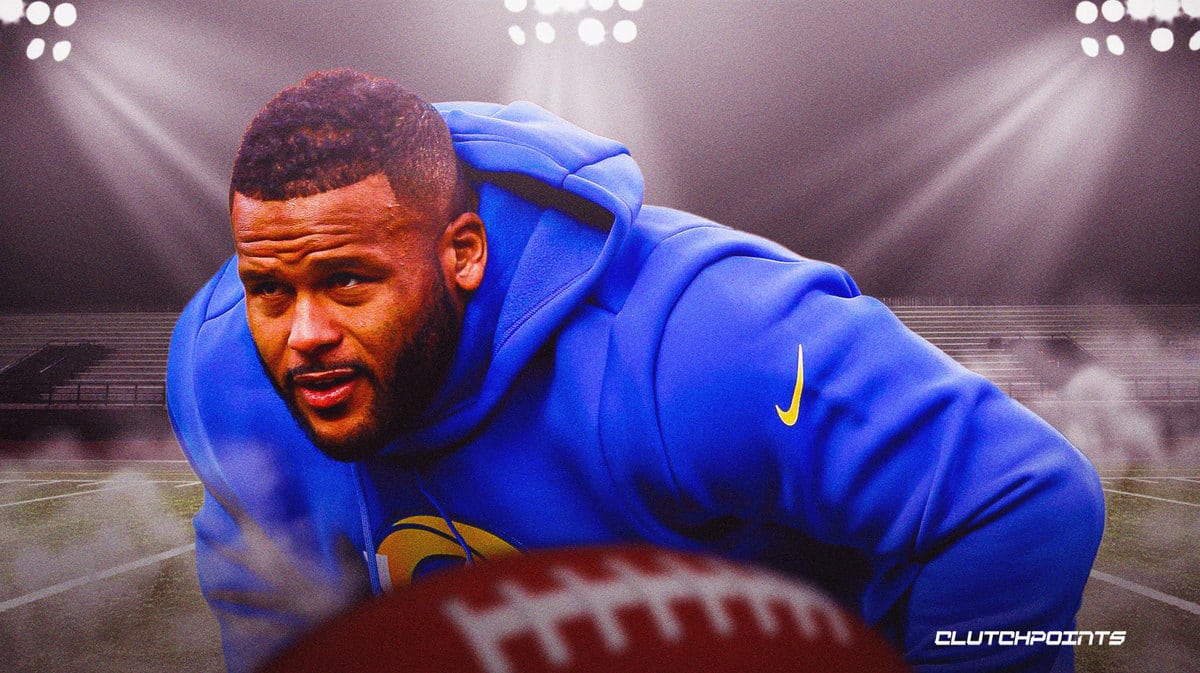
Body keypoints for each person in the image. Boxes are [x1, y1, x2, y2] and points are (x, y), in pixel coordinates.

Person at [167, 69, 1105, 673]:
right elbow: (274, 607)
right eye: (270, 290)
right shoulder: (229, 375)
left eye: (347, 282)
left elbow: (1022, 497)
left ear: (464, 252)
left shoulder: (694, 339)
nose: (302, 335)